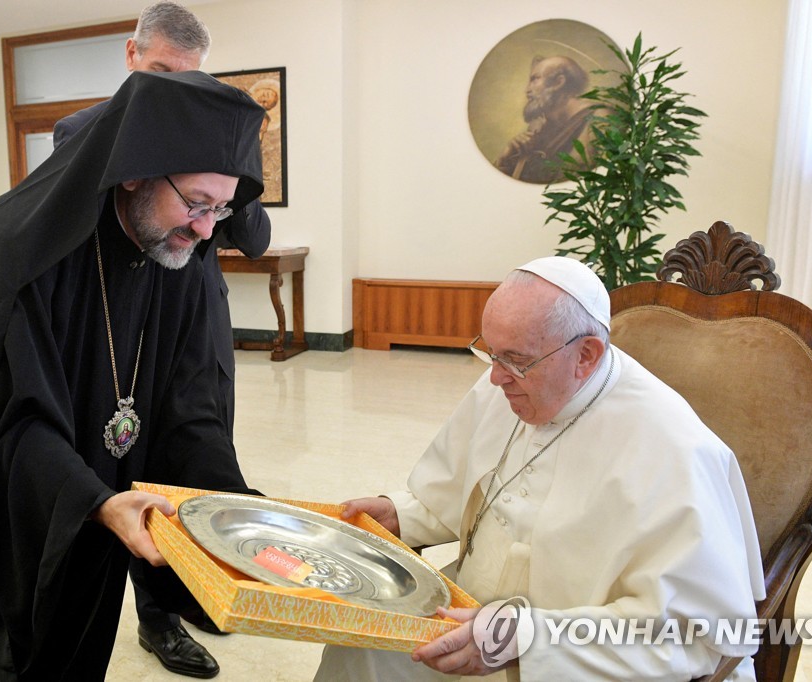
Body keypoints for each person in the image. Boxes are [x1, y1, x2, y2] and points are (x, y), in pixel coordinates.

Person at [0, 70, 265, 681]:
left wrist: (235, 516)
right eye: (197, 203)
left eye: (222, 208)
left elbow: (189, 409)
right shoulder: (17, 255)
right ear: (136, 171)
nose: (208, 228)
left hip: (81, 514)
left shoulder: (175, 254)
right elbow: (11, 427)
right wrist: (96, 502)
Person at [315, 256, 765, 680]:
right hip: (469, 610)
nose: (495, 376)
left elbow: (697, 634)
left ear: (586, 355)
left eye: (515, 360)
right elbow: (460, 490)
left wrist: (528, 639)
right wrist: (400, 514)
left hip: (574, 655)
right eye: (491, 352)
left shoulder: (674, 450)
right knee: (360, 639)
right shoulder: (509, 378)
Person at [55, 4, 272, 678]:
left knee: (187, 457)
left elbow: (251, 239)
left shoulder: (212, 142)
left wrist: (227, 193)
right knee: (113, 464)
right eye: (160, 74)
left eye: (188, 79)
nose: (172, 94)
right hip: (114, 328)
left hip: (190, 324)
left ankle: (168, 609)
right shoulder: (81, 132)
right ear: (131, 55)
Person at [495, 56, 594, 184]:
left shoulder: (598, 119)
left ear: (559, 82)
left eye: (535, 79)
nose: (527, 90)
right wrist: (506, 157)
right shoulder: (541, 128)